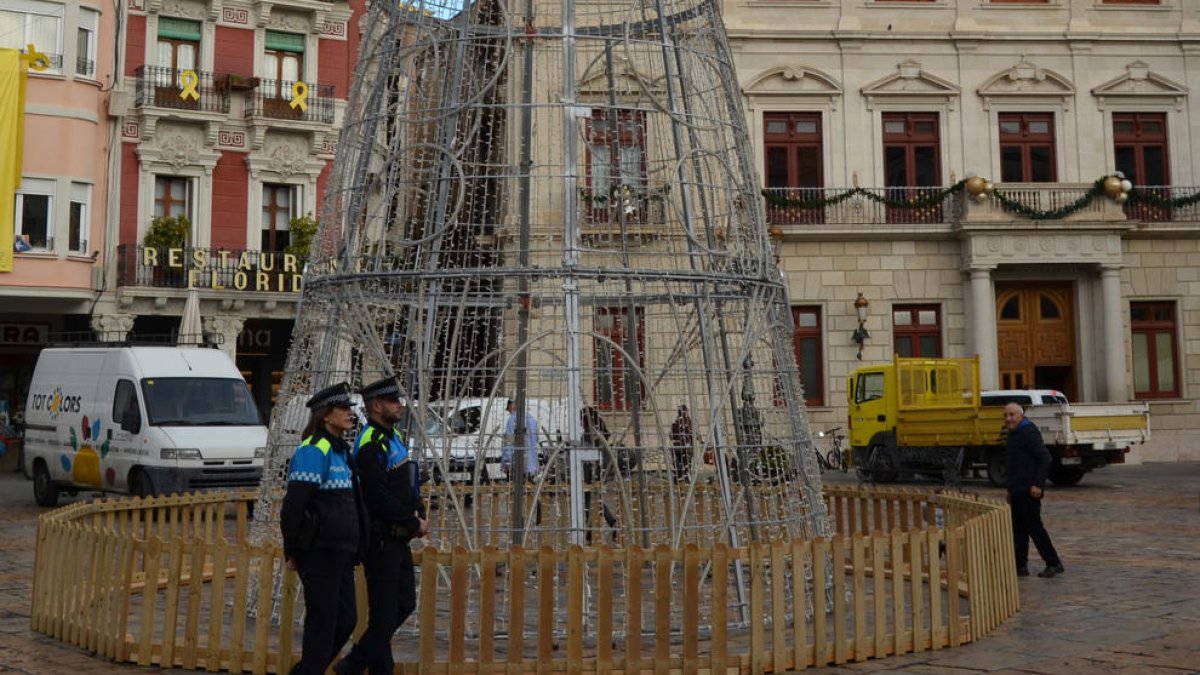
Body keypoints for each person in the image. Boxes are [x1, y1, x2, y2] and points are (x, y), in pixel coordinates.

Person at [335, 377, 429, 675]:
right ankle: (362, 665)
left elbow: (403, 480)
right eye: (393, 401)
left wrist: (417, 507)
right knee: (385, 613)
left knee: (402, 605)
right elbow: (376, 495)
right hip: (381, 538)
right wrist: (411, 520)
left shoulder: (392, 437)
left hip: (398, 537)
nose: (399, 405)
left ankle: (355, 664)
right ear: (377, 406)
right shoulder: (369, 442)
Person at [279, 382, 367, 675]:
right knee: (323, 621)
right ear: (326, 415)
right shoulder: (315, 449)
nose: (349, 413)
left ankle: (306, 671)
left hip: (341, 549)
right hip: (320, 551)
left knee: (345, 619)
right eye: (343, 408)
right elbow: (294, 506)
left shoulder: (340, 451)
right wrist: (292, 549)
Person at [1004, 402, 1064, 578]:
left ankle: (1053, 562)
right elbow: (1012, 464)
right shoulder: (1012, 433)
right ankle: (1020, 565)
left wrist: (1038, 484)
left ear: (1020, 415)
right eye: (1006, 415)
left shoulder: (1028, 431)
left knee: (1035, 528)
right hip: (1017, 489)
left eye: (1012, 415)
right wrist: (1010, 489)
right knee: (1018, 529)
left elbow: (1045, 458)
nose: (1008, 419)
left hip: (1029, 489)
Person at [670, 404, 695, 482]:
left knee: (679, 463)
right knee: (686, 463)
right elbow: (691, 433)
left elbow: (671, 435)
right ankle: (685, 478)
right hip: (685, 447)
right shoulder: (687, 421)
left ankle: (677, 478)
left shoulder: (676, 421)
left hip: (677, 447)